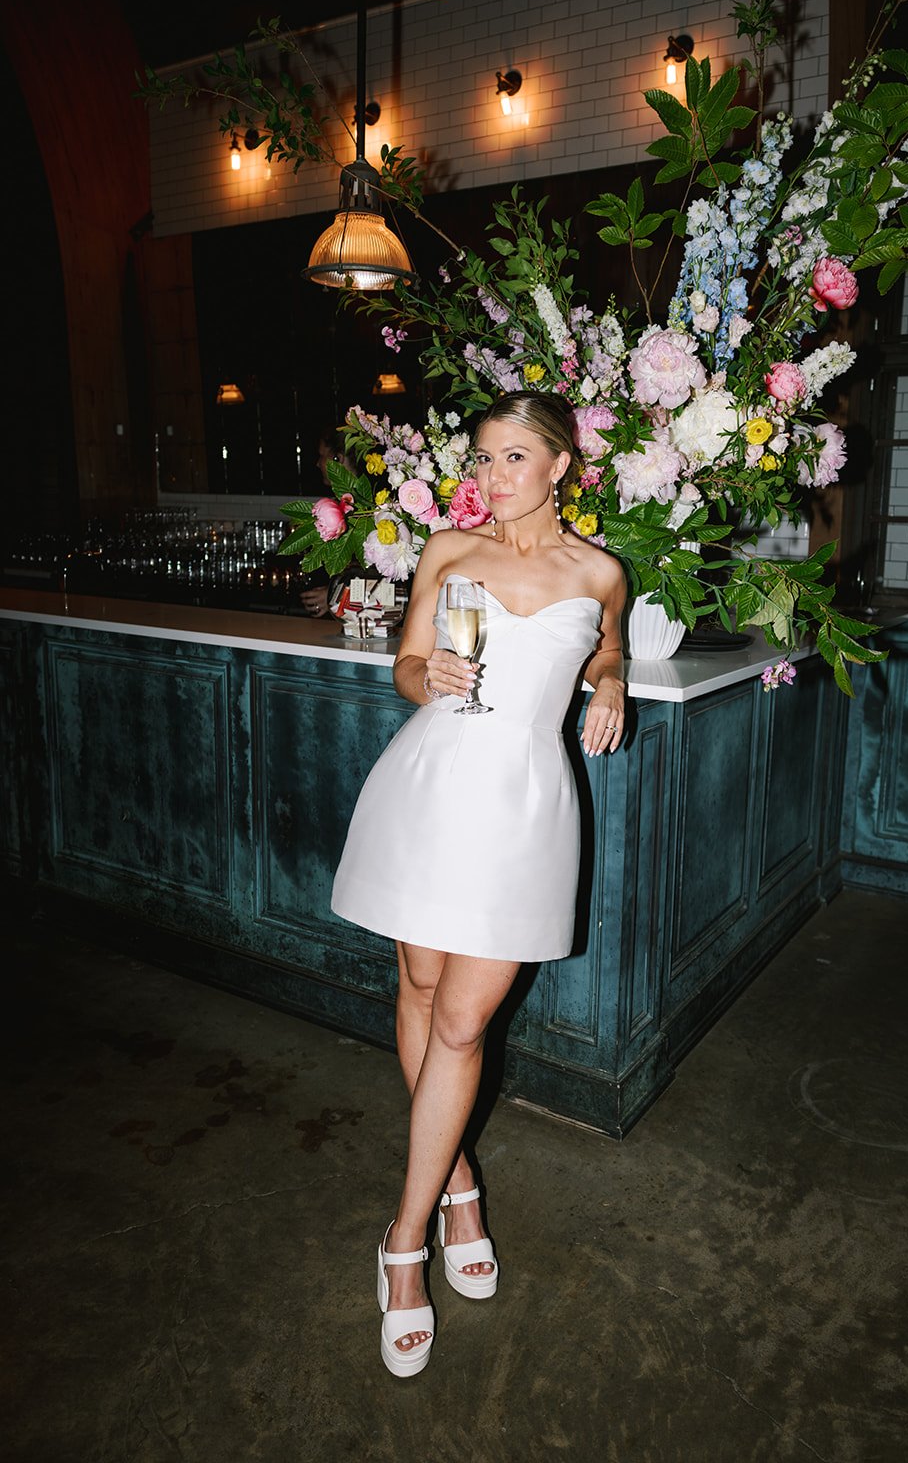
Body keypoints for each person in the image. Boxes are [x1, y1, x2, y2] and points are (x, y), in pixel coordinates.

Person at [330, 392, 627, 1377]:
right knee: (420, 989)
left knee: (463, 1024)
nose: (492, 477)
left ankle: (400, 1240)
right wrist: (429, 681)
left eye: (513, 458)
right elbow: (408, 666)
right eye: (482, 459)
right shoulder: (449, 553)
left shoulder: (599, 571)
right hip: (428, 786)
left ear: (559, 465)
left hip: (525, 807)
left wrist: (612, 679)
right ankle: (456, 1189)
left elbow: (609, 641)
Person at [301, 431, 359, 618]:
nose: (318, 463)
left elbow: (382, 581)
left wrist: (334, 596)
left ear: (338, 459)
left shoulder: (367, 508)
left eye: (321, 456)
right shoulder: (341, 505)